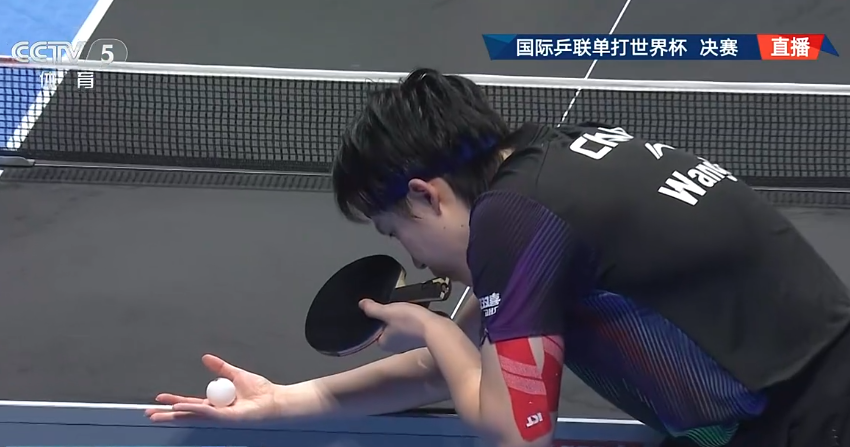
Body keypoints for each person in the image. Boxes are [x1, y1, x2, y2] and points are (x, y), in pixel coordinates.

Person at [146, 68, 850, 447]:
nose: (413, 256)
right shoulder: (553, 162)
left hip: (811, 420)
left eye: (396, 232)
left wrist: (433, 327)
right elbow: (466, 368)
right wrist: (287, 399)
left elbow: (515, 431)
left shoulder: (513, 220)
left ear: (424, 194)